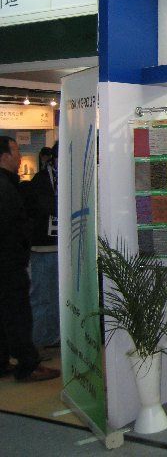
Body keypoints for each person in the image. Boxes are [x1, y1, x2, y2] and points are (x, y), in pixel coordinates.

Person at [0, 136, 59, 382]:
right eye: (16, 151)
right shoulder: (6, 187)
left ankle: (3, 362)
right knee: (18, 313)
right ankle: (28, 365)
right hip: (9, 263)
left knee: (7, 314)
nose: (20, 156)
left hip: (10, 260)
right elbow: (12, 227)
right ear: (4, 156)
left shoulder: (9, 184)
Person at [24, 142, 60, 348]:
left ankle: (53, 336)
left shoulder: (65, 179)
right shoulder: (40, 181)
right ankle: (38, 340)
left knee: (56, 295)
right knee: (42, 295)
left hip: (63, 247)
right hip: (43, 246)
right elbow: (40, 208)